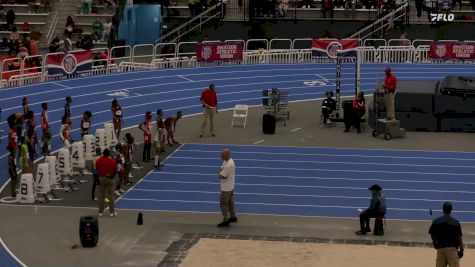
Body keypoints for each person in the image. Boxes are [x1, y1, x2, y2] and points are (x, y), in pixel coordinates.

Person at [429, 202, 464, 267]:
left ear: (443, 210)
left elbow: (432, 234)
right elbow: (460, 238)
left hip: (440, 250)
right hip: (452, 251)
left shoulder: (436, 221)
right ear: (451, 210)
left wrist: (434, 243)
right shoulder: (456, 222)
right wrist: (461, 250)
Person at [217, 149, 237, 227]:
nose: (220, 156)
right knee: (230, 202)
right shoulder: (228, 161)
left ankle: (225, 219)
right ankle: (233, 216)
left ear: (226, 155)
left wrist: (220, 173)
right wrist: (221, 172)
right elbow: (221, 170)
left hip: (226, 188)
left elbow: (221, 176)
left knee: (223, 203)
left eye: (222, 155)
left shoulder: (229, 165)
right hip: (230, 186)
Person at [95, 148, 118, 217]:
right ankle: (111, 212)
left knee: (101, 196)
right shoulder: (112, 161)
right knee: (111, 196)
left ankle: (100, 212)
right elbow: (115, 170)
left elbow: (97, 169)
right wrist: (112, 176)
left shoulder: (98, 160)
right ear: (108, 154)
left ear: (103, 153)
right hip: (109, 178)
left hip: (101, 178)